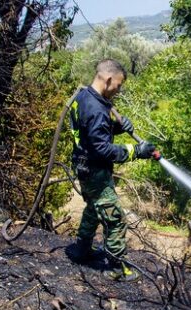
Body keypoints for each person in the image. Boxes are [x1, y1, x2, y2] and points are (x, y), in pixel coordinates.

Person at [67, 59, 156, 281]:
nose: (118, 90)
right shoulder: (96, 108)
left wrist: (116, 127)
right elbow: (102, 149)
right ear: (108, 80)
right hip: (95, 171)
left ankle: (82, 250)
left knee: (93, 209)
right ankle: (117, 268)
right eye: (118, 85)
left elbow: (92, 132)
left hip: (83, 166)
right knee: (115, 219)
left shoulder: (83, 97)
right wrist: (136, 150)